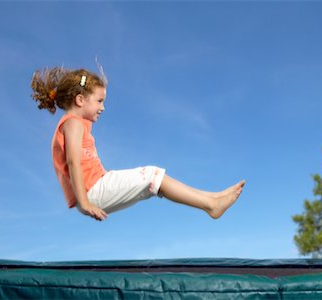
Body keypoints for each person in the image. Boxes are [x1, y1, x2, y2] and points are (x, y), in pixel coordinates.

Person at [30, 66, 245, 221]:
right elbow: (73, 162)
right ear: (80, 100)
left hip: (94, 189)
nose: (102, 107)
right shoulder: (72, 123)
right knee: (151, 174)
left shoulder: (77, 124)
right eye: (99, 101)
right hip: (91, 191)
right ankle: (211, 205)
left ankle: (212, 199)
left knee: (155, 183)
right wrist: (84, 202)